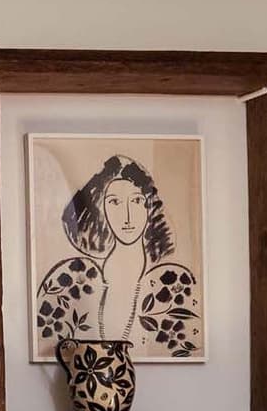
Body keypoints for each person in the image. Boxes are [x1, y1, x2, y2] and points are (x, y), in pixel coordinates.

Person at [34, 154, 201, 359]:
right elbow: (44, 345)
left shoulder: (175, 283)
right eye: (114, 202)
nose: (128, 216)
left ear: (150, 207)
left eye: (137, 200)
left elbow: (188, 348)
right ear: (100, 208)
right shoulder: (71, 278)